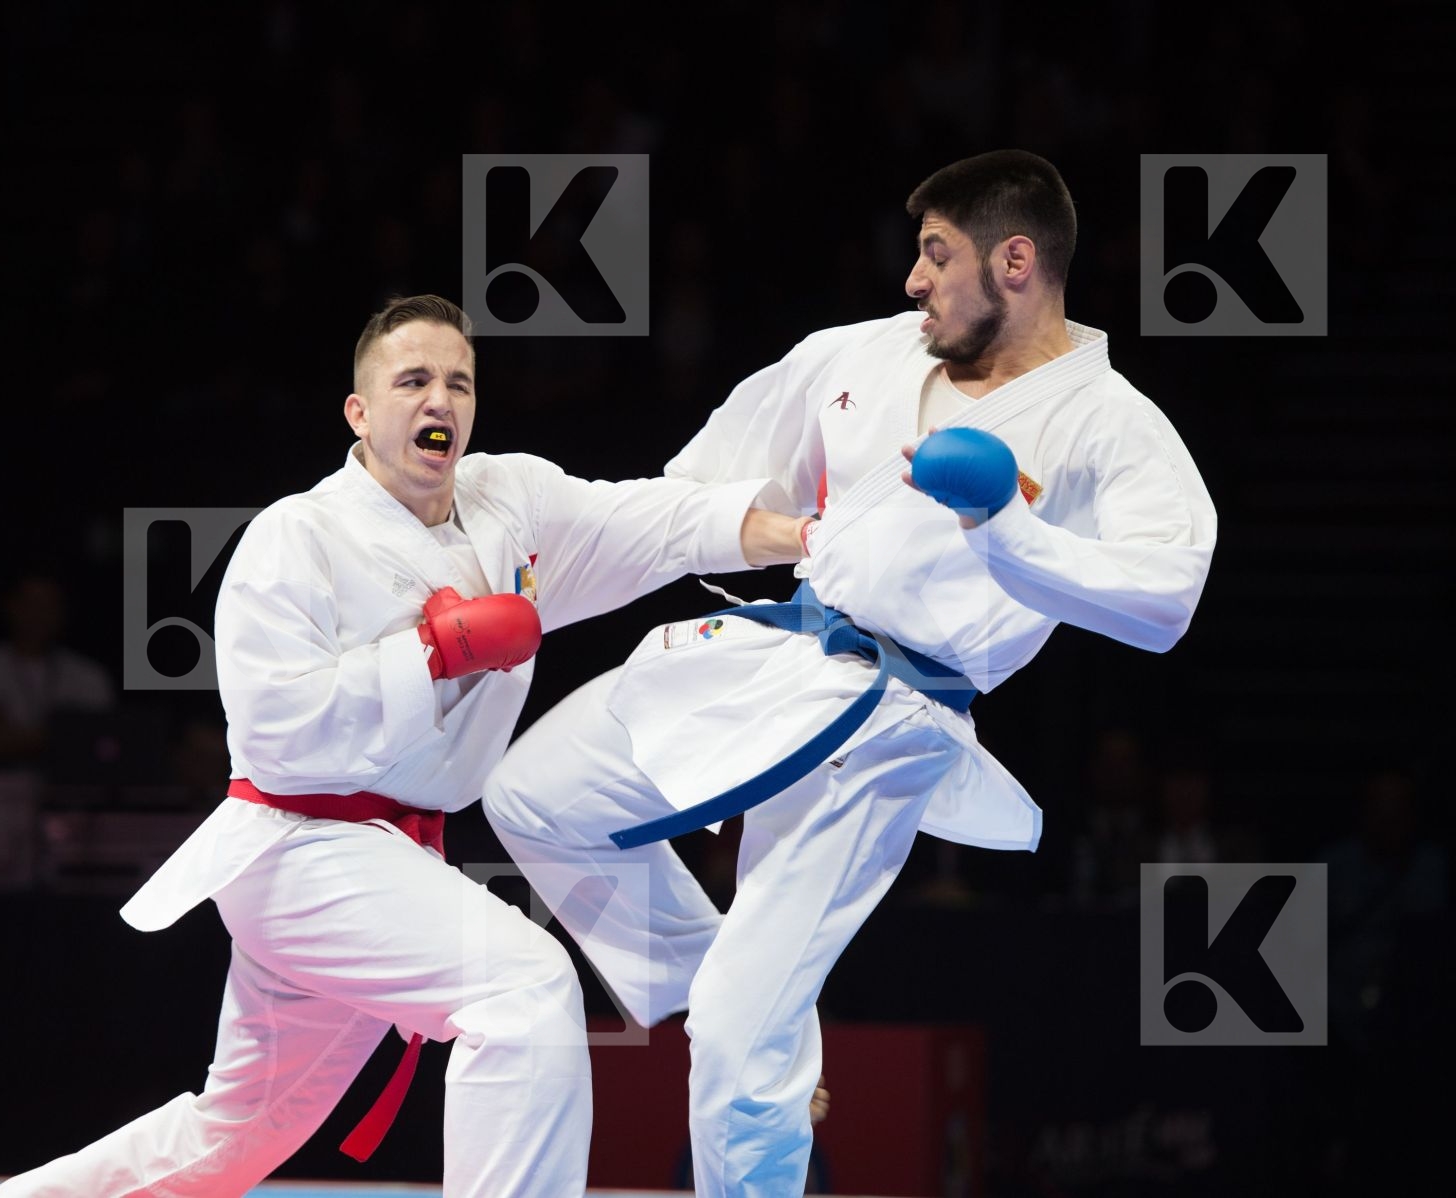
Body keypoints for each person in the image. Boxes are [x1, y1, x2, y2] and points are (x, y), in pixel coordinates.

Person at [483, 150, 1218, 1197]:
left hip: (895, 722)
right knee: (534, 796)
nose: (913, 279)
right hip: (774, 653)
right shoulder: (855, 356)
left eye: (936, 254)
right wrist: (531, 580)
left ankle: (753, 1029)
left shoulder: (1109, 425)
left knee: (738, 1049)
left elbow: (1163, 601)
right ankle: (742, 998)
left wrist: (1003, 526)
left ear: (1016, 260)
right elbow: (691, 491)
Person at [0, 295, 810, 1197]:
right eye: (412, 381)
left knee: (239, 1133)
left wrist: (802, 534)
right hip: (297, 844)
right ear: (360, 413)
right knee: (523, 989)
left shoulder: (508, 505)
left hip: (387, 857)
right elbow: (277, 736)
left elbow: (650, 524)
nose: (439, 401)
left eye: (458, 382)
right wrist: (432, 654)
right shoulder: (296, 535)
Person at [0, 571, 114, 766]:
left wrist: (9, 733)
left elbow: (103, 743)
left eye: (49, 606)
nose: (39, 615)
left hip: (71, 787)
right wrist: (66, 733)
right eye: (31, 605)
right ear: (11, 607)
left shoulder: (89, 675)